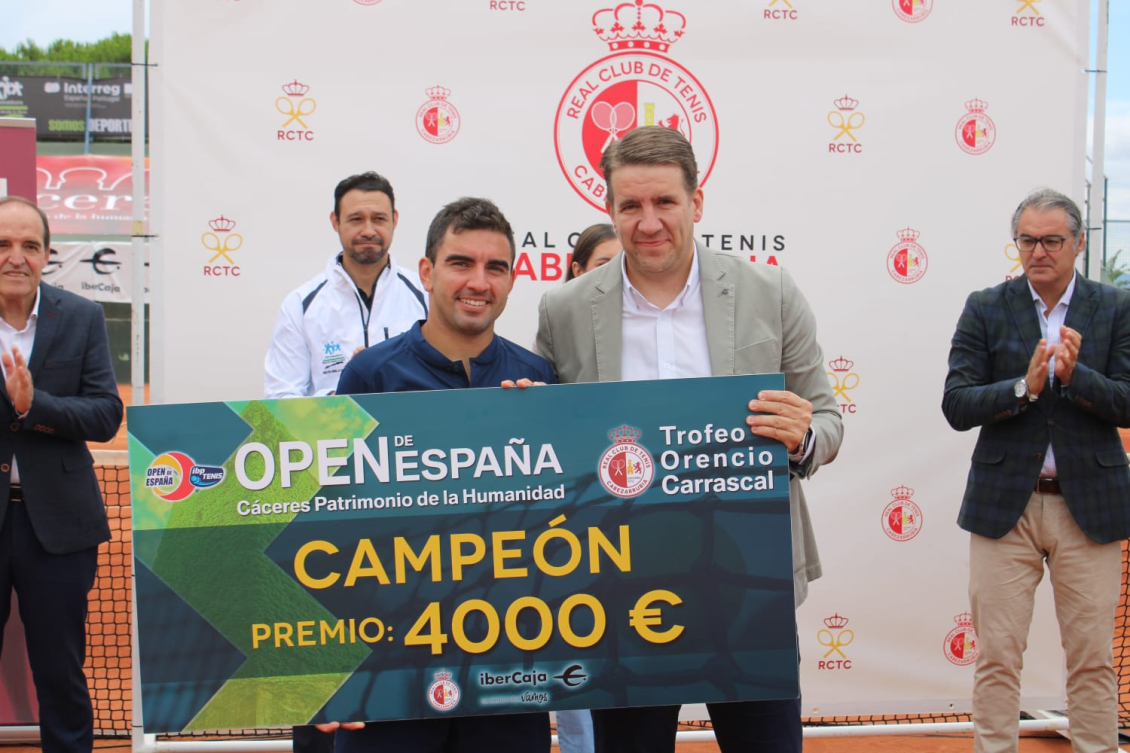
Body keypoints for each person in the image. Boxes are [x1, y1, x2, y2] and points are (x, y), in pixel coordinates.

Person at [536, 126, 842, 753]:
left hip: (749, 581)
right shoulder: (563, 310)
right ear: (610, 208)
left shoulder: (770, 293)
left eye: (665, 202)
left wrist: (802, 437)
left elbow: (827, 421)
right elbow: (547, 440)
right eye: (630, 205)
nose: (648, 222)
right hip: (621, 587)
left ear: (696, 203)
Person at [328, 196, 554, 752]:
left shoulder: (539, 380)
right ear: (427, 272)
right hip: (391, 669)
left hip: (507, 671)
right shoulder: (369, 375)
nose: (479, 282)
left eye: (495, 267)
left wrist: (544, 432)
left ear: (511, 280)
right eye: (460, 263)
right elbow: (330, 527)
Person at [942, 188, 1129, 753]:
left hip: (1090, 506)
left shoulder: (1116, 307)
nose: (1038, 252)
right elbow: (957, 404)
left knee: (1093, 659)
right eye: (1027, 240)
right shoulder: (985, 306)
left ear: (1077, 243)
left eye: (1051, 240)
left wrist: (1077, 378)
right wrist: (1024, 387)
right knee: (998, 657)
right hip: (1005, 506)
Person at [0, 196, 123, 753]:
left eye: (29, 245)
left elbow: (104, 414)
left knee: (61, 671)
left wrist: (35, 406)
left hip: (59, 526)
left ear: (47, 254)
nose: (16, 257)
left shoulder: (81, 316)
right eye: (4, 244)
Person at [264, 171, 427, 399]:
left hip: (410, 422)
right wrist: (340, 396)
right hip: (334, 422)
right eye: (356, 219)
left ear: (395, 219)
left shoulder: (427, 294)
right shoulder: (300, 305)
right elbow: (279, 397)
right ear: (336, 221)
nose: (368, 231)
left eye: (379, 219)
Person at [552, 222, 620, 753]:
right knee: (575, 661)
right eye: (603, 265)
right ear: (576, 272)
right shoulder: (555, 338)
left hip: (638, 533)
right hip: (578, 532)